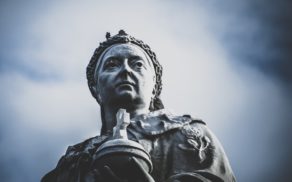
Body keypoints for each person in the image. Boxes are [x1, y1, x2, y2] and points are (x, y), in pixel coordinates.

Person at [42, 30, 236, 182]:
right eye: (112, 64)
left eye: (137, 64)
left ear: (153, 87)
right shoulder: (74, 161)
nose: (125, 70)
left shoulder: (189, 134)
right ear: (95, 87)